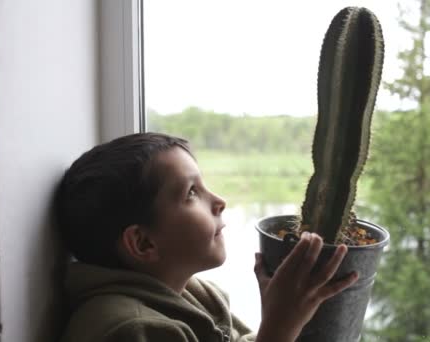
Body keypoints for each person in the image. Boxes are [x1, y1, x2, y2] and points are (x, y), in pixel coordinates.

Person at [55, 132, 359, 342]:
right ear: (143, 243)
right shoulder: (131, 331)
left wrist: (285, 312)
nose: (219, 200)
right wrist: (279, 327)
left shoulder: (195, 296)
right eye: (191, 193)